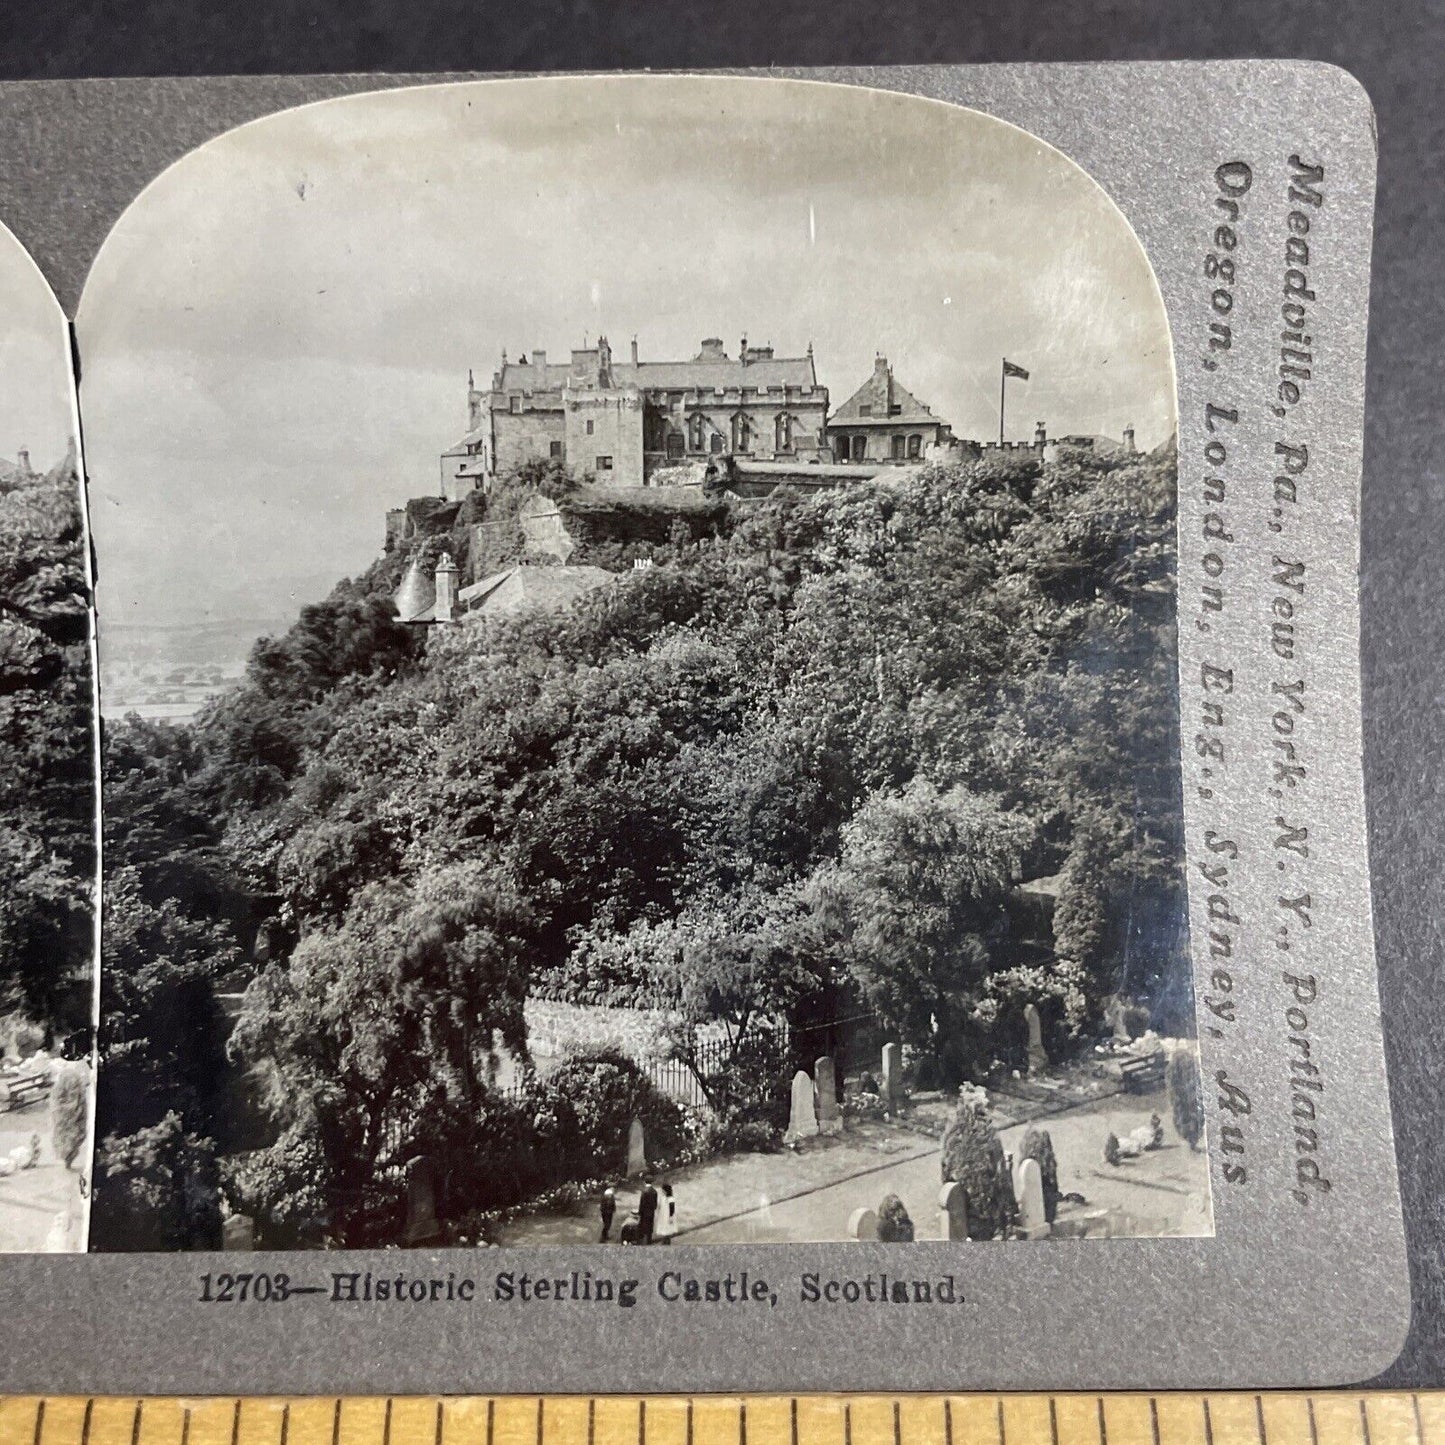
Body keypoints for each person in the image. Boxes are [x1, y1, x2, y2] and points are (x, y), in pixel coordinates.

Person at [636, 1176, 659, 1244]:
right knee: (650, 1225)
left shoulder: (644, 1191)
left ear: (645, 1181)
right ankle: (649, 1240)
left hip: (644, 1212)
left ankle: (642, 1240)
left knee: (642, 1225)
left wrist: (640, 1211)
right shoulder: (654, 1191)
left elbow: (642, 1202)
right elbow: (655, 1204)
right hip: (651, 1211)